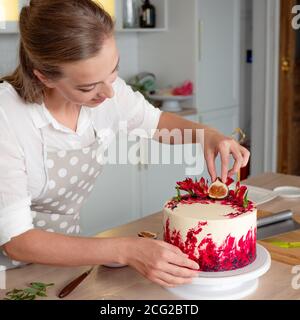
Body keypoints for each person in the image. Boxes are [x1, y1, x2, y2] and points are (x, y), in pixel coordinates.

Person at [0, 0, 249, 287]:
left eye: (114, 71)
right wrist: (126, 249)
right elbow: (17, 241)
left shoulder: (108, 92)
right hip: (7, 273)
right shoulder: (8, 116)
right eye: (88, 86)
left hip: (64, 263)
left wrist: (206, 133)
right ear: (43, 76)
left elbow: (156, 123)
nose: (108, 93)